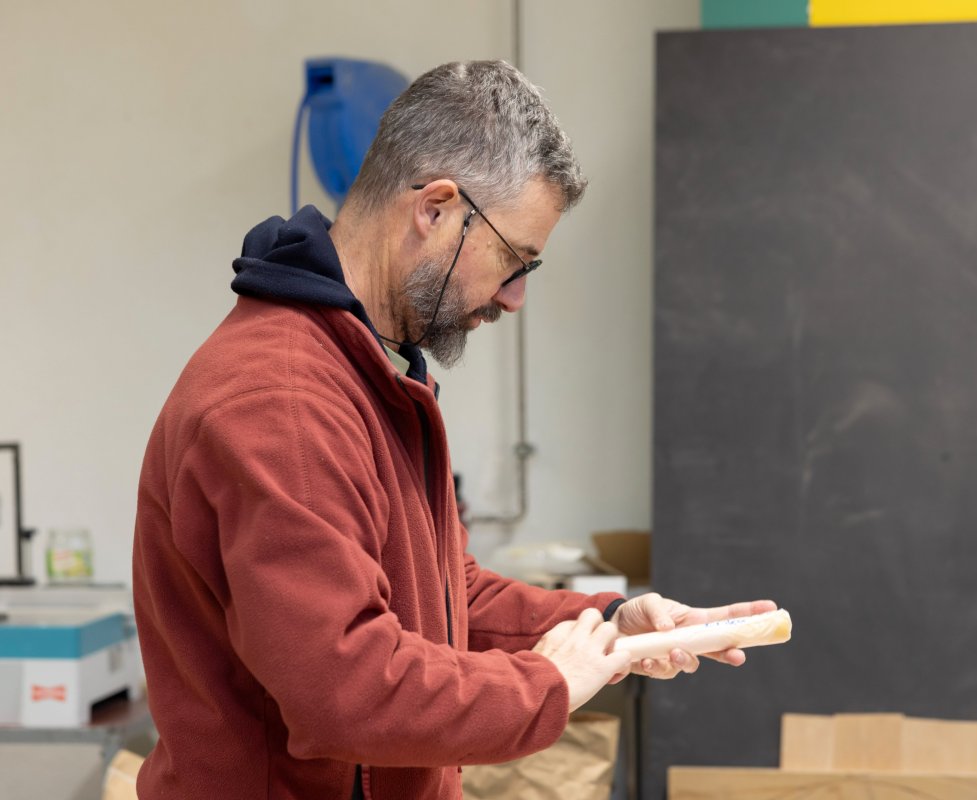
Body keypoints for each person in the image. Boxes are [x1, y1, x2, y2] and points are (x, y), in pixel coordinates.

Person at [132, 59, 775, 800]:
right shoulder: (283, 403)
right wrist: (547, 683)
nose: (515, 297)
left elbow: (444, 598)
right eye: (513, 258)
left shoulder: (370, 368)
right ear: (436, 209)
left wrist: (607, 624)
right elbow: (345, 689)